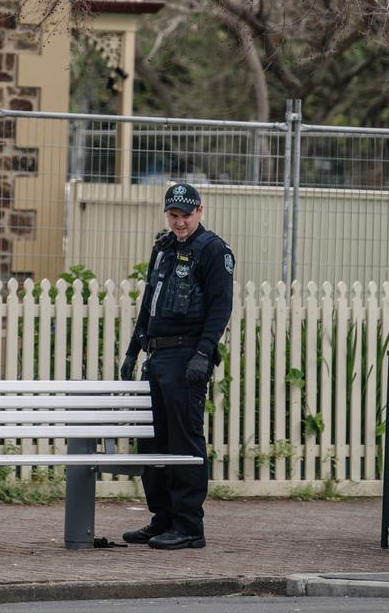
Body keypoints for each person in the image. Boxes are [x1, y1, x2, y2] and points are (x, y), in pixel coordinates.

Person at [119, 182, 235, 550]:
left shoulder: (213, 250)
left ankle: (188, 526)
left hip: (186, 358)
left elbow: (220, 307)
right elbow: (149, 300)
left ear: (200, 210)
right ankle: (163, 519)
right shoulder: (163, 248)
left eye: (185, 215)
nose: (179, 222)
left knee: (184, 442)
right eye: (173, 215)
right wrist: (133, 350)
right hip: (156, 356)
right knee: (153, 442)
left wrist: (203, 354)